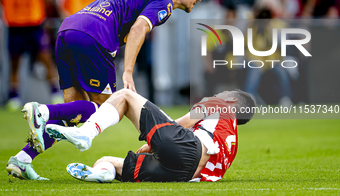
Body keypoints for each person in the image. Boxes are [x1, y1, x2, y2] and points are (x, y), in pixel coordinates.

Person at [6, 0, 204, 180]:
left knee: (73, 114)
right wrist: (128, 72)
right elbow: (139, 28)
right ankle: (43, 111)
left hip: (68, 30)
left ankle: (23, 159)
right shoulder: (164, 0)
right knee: (107, 109)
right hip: (94, 36)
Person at [44, 88, 255, 182]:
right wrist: (160, 143)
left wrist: (154, 142)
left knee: (125, 96)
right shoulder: (231, 144)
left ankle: (85, 133)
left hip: (185, 147)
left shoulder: (220, 104)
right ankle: (105, 173)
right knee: (105, 161)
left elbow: (181, 124)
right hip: (183, 175)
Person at [0, 0, 59, 111]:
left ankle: (55, 93)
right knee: (14, 62)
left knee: (46, 58)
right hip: (15, 25)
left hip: (35, 24)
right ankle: (14, 97)